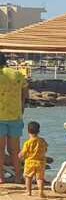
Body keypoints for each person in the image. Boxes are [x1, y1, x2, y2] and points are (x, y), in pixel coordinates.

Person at [0, 52, 29, 183]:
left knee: (0, 149)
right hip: (16, 115)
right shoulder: (17, 74)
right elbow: (25, 93)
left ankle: (1, 178)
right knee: (15, 150)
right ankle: (18, 176)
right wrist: (21, 106)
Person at [18, 121, 48, 198]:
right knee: (39, 178)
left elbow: (23, 152)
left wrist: (20, 156)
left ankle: (28, 192)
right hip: (40, 162)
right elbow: (46, 148)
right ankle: (41, 192)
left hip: (29, 162)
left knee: (28, 177)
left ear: (28, 131)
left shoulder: (27, 143)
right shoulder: (42, 141)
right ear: (39, 131)